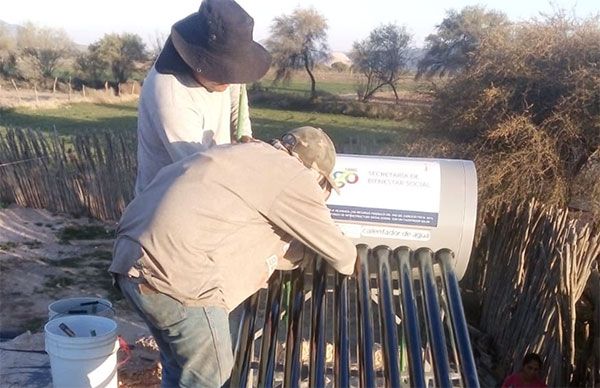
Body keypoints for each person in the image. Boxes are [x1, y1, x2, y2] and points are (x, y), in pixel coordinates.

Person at [110, 126, 357, 387]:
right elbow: (342, 256)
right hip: (177, 279)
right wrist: (350, 257)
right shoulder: (293, 175)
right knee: (213, 376)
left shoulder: (242, 154)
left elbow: (247, 233)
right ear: (316, 173)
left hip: (130, 262)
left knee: (179, 366)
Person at [135, 0, 271, 195]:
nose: (228, 81)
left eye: (232, 73)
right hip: (170, 203)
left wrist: (245, 137)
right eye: (221, 71)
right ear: (196, 57)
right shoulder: (171, 96)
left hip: (215, 182)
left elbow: (237, 100)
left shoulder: (227, 74)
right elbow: (201, 171)